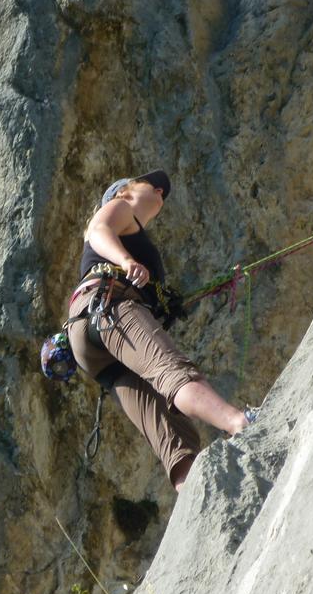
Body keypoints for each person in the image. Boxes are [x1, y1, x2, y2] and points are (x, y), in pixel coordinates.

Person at [65, 170, 256, 492]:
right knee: (172, 371)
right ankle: (240, 423)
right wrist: (126, 260)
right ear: (123, 192)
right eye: (151, 185)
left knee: (170, 431)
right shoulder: (120, 208)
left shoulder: (136, 242)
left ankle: (193, 490)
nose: (160, 191)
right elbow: (98, 230)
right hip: (109, 305)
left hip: (90, 337)